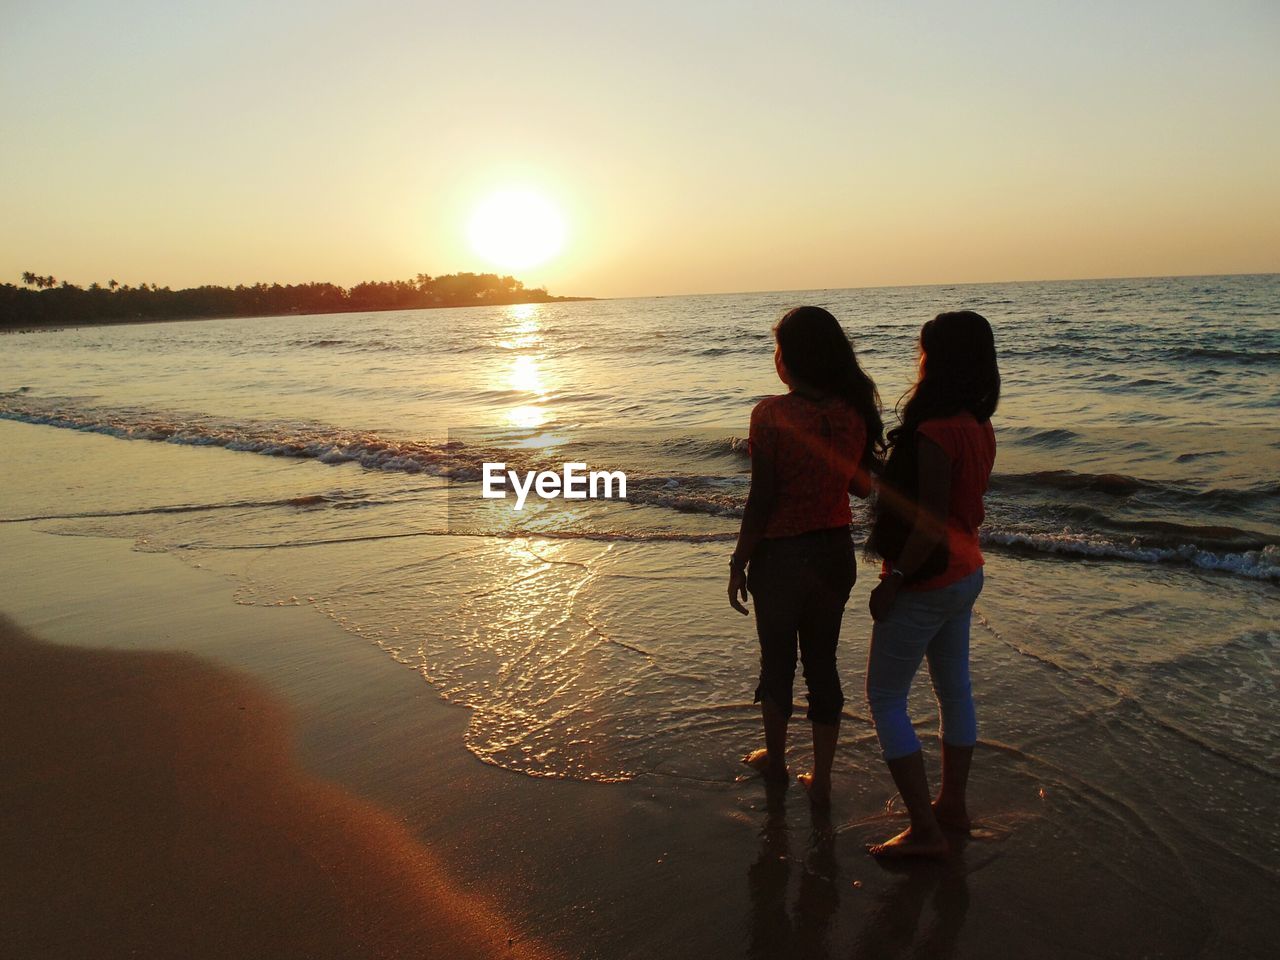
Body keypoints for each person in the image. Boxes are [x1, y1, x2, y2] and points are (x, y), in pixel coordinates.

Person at [728, 306, 883, 806]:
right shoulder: (854, 409)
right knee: (823, 664)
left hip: (781, 558)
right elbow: (861, 489)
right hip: (835, 554)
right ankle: (822, 776)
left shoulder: (770, 414)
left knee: (777, 665)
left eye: (778, 349)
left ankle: (777, 762)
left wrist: (738, 560)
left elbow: (762, 499)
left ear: (790, 359)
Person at [863, 310, 1000, 857]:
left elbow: (930, 521)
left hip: (928, 579)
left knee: (886, 698)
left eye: (922, 351)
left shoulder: (934, 431)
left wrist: (894, 578)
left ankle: (924, 829)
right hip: (967, 574)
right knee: (954, 691)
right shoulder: (978, 425)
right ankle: (953, 806)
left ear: (935, 359)